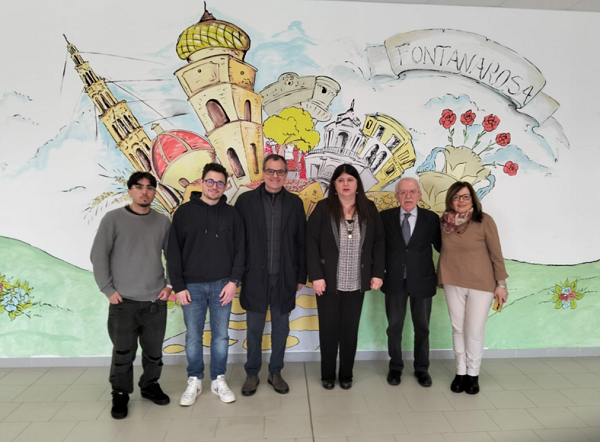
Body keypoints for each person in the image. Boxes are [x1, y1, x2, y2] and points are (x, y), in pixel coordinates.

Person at [90, 172, 171, 419]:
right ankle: (120, 393)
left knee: (154, 351)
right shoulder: (113, 219)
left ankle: (150, 385)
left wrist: (169, 285)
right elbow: (98, 255)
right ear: (130, 190)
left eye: (149, 187)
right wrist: (108, 289)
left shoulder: (163, 222)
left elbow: (174, 256)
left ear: (154, 191)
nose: (144, 192)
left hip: (155, 301)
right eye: (139, 187)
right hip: (123, 301)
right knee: (123, 352)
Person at [167, 163, 244, 405]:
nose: (214, 187)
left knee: (220, 336)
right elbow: (173, 252)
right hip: (192, 287)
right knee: (193, 336)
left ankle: (218, 380)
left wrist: (233, 282)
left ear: (226, 186)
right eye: (210, 181)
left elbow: (241, 250)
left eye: (220, 183)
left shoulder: (232, 214)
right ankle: (195, 380)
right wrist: (179, 286)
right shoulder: (183, 213)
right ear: (201, 182)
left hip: (223, 286)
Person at [306, 163, 385, 390]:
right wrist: (316, 276)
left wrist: (377, 273)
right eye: (340, 180)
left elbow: (379, 242)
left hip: (357, 282)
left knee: (350, 330)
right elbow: (310, 243)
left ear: (357, 183)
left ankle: (346, 374)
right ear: (334, 185)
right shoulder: (323, 208)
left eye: (350, 179)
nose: (345, 184)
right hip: (327, 282)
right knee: (329, 330)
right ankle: (328, 374)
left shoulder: (369, 208)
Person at [234, 154, 307, 396]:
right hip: (254, 276)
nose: (275, 176)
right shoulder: (245, 201)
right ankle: (252, 372)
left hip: (284, 277)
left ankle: (275, 372)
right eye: (270, 171)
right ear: (263, 173)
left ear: (286, 174)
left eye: (280, 171)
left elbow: (301, 242)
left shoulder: (295, 203)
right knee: (254, 329)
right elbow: (238, 242)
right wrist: (237, 274)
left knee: (281, 328)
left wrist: (301, 276)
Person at [438, 181, 508, 395]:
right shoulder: (443, 222)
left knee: (474, 330)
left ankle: (473, 374)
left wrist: (501, 284)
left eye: (465, 196)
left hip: (481, 284)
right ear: (450, 200)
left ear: (473, 199)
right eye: (456, 197)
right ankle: (460, 372)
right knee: (458, 328)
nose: (461, 201)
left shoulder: (484, 221)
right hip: (452, 281)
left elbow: (496, 254)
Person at [381, 177, 441, 388]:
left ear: (419, 195)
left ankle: (422, 368)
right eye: (403, 192)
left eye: (412, 191)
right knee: (394, 327)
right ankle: (395, 367)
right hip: (394, 280)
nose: (408, 196)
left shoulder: (431, 219)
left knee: (422, 328)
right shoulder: (384, 218)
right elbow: (377, 248)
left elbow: (444, 248)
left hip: (422, 281)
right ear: (396, 196)